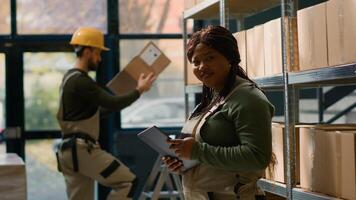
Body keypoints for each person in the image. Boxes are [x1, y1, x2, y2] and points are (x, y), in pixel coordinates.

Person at [162, 25, 275, 200]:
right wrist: (183, 161)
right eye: (196, 62)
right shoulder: (213, 96)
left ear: (230, 58)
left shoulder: (248, 98)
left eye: (210, 58)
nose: (202, 66)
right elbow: (209, 151)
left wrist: (197, 152)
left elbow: (257, 157)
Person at [56, 27, 156, 200]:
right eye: (98, 53)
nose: (99, 59)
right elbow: (113, 102)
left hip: (69, 152)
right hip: (82, 150)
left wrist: (125, 95)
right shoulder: (81, 81)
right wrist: (139, 90)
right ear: (87, 51)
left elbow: (97, 112)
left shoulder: (69, 79)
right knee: (128, 182)